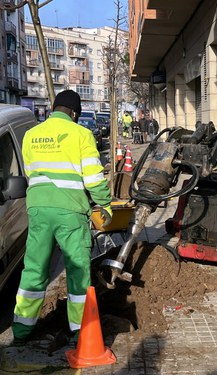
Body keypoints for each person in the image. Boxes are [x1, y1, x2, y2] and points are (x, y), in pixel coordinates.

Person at [11, 90, 113, 346]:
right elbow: (92, 177)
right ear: (75, 113)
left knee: (34, 268)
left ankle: (21, 330)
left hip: (38, 209)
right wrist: (105, 204)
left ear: (54, 108)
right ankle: (79, 331)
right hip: (70, 211)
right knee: (77, 271)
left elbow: (31, 172)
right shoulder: (81, 134)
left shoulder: (31, 135)